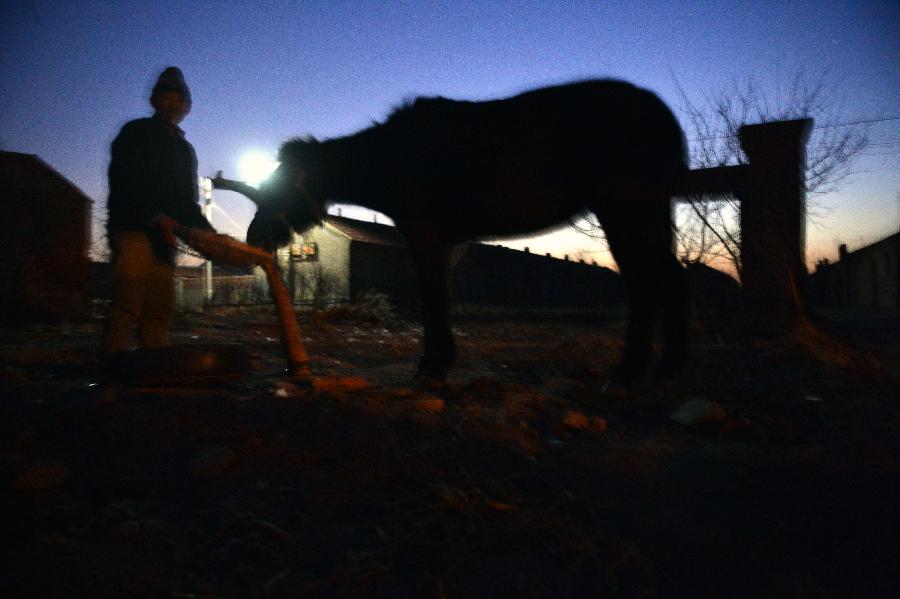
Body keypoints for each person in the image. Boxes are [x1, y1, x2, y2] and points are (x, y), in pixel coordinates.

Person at [100, 67, 214, 359]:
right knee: (128, 299)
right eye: (166, 97)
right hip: (133, 229)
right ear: (154, 101)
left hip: (165, 238)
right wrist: (153, 215)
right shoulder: (135, 132)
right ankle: (110, 366)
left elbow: (186, 203)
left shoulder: (186, 150)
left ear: (187, 107)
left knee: (159, 306)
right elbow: (125, 180)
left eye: (179, 100)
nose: (172, 104)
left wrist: (210, 236)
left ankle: (154, 366)